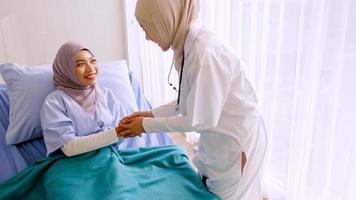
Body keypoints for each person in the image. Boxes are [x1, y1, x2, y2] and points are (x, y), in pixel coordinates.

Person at [118, 0, 268, 199]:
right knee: (208, 186)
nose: (147, 37)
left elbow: (198, 120)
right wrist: (151, 114)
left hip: (236, 143)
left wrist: (145, 125)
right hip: (218, 139)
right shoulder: (187, 47)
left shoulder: (205, 54)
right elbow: (189, 100)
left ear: (164, 20)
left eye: (147, 28)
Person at [41, 41, 138, 157]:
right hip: (74, 166)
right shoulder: (54, 102)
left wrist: (127, 130)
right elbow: (69, 147)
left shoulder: (107, 95)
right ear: (66, 69)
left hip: (110, 158)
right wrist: (116, 133)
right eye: (80, 64)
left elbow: (120, 136)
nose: (90, 68)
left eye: (92, 61)